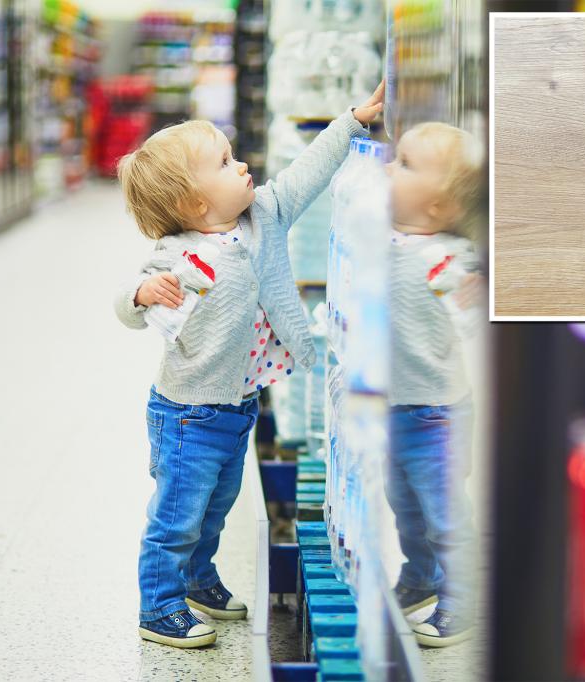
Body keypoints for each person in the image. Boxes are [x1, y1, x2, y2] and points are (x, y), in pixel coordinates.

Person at [113, 82, 384, 649]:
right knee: (177, 516)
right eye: (225, 163)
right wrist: (143, 294)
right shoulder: (176, 255)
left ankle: (198, 579)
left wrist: (352, 122)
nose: (242, 168)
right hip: (187, 414)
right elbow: (127, 306)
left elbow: (307, 173)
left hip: (238, 405)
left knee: (217, 506)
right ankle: (158, 607)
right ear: (193, 204)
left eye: (234, 157)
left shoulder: (264, 216)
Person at [384, 121, 486, 647]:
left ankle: (462, 598)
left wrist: (479, 285)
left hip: (436, 412)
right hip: (390, 406)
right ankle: (420, 577)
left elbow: (479, 294)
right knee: (403, 504)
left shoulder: (454, 258)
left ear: (441, 207)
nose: (386, 169)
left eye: (403, 164)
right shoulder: (382, 235)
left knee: (444, 512)